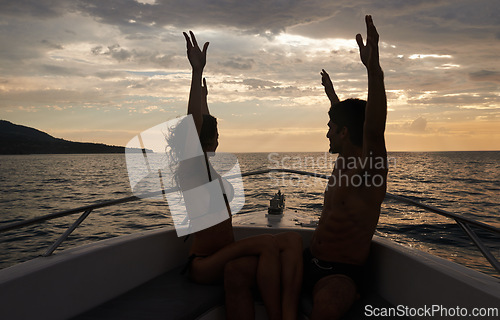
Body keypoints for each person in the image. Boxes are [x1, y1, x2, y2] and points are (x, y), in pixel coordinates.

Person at [181, 31, 303, 320]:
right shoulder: (191, 168)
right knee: (267, 243)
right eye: (217, 136)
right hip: (203, 263)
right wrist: (196, 72)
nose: (219, 140)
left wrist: (204, 95)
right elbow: (195, 125)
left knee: (293, 241)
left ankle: (288, 310)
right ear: (211, 141)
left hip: (225, 253)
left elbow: (204, 124)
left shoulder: (206, 169)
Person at [303, 15, 388, 320]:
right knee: (245, 269)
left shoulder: (370, 167)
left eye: (331, 127)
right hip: (310, 259)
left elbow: (372, 129)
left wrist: (373, 68)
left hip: (341, 272)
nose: (327, 133)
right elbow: (350, 123)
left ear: (343, 132)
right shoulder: (344, 159)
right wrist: (331, 94)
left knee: (325, 309)